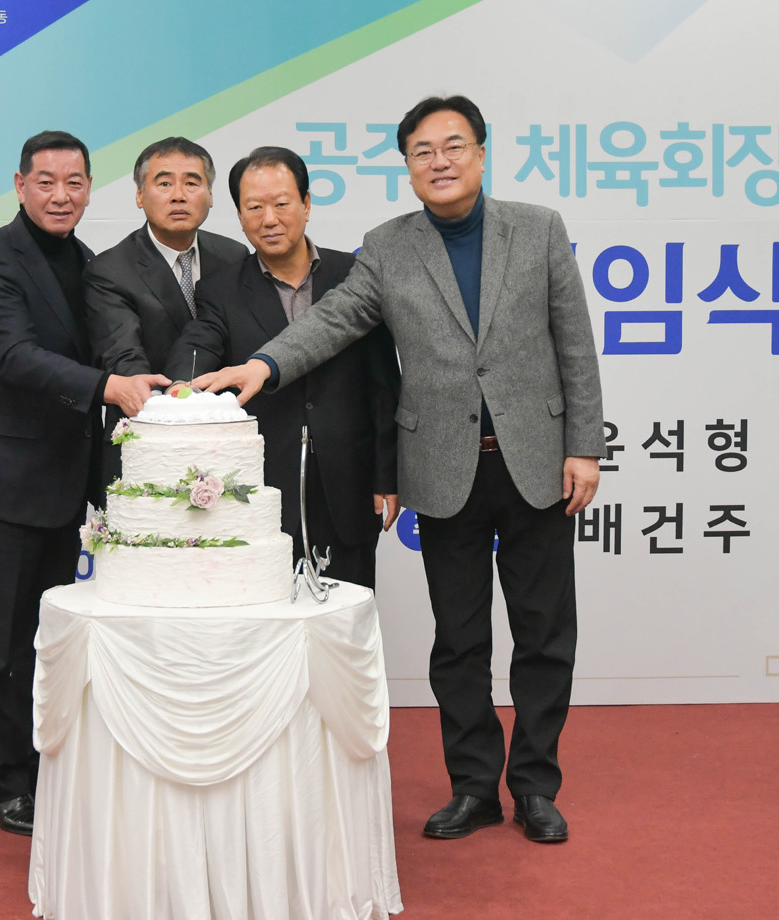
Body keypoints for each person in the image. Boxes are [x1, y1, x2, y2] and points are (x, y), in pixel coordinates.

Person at [195, 96, 605, 845]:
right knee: (459, 640)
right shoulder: (386, 247)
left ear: (481, 153)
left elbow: (574, 342)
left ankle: (535, 786)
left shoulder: (539, 228)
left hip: (537, 463)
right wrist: (264, 365)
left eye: (453, 146)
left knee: (544, 634)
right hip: (443, 468)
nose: (439, 162)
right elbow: (333, 319)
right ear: (408, 166)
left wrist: (584, 445)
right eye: (423, 151)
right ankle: (474, 787)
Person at [0, 130, 167, 836]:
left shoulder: (88, 262)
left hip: (61, 487)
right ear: (20, 185)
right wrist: (110, 387)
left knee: (46, 642)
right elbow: (15, 356)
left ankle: (43, 770)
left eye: (74, 182)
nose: (61, 195)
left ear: (90, 188)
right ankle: (2, 784)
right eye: (46, 182)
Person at [165, 146, 399, 588]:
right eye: (254, 207)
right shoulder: (221, 289)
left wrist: (387, 474)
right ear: (239, 216)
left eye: (281, 204)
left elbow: (384, 384)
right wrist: (180, 384)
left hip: (348, 485)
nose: (269, 219)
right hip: (262, 490)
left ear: (306, 204)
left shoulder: (356, 275)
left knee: (344, 615)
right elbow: (199, 341)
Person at [84, 136, 247, 488]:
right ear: (140, 195)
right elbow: (125, 360)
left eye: (192, 183)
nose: (178, 195)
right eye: (164, 183)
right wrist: (174, 408)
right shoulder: (110, 270)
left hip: (227, 450)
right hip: (147, 443)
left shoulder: (235, 257)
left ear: (211, 195)